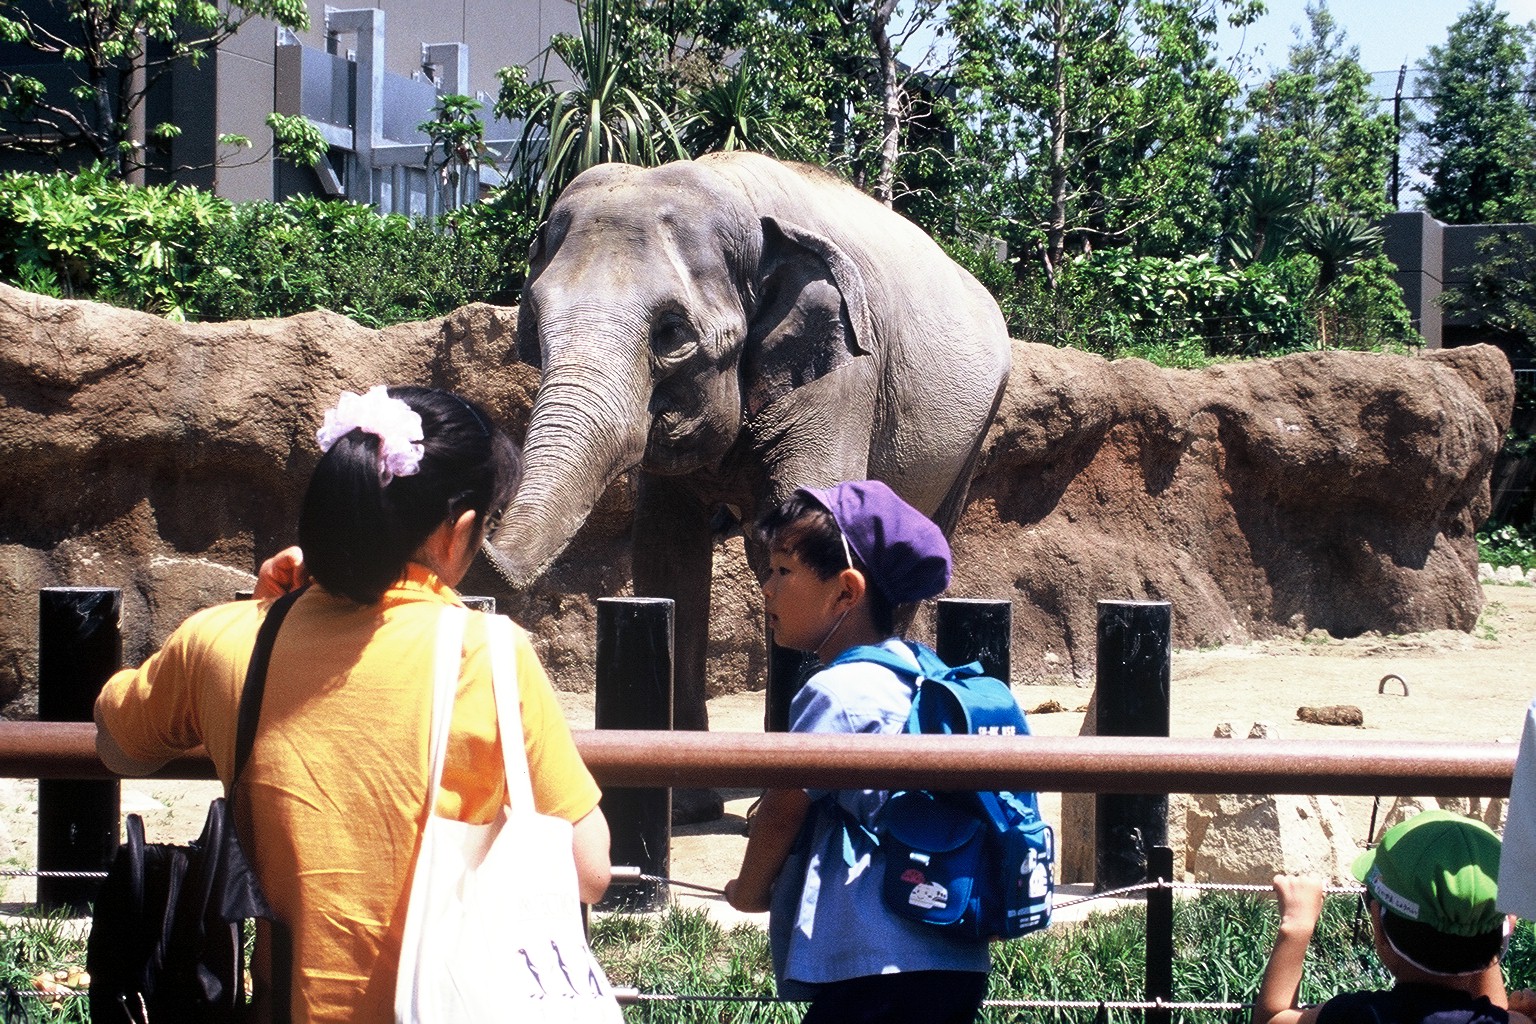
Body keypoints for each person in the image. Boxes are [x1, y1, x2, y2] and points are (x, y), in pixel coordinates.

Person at [94, 385, 611, 1024]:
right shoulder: (487, 657)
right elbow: (587, 870)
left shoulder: (226, 639)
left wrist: (268, 613)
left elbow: (117, 740)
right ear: (461, 533)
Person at [723, 480, 990, 1024]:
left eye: (782, 571)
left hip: (869, 965)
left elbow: (780, 811)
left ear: (846, 591)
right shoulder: (921, 672)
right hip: (954, 952)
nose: (766, 590)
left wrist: (748, 890)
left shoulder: (836, 692)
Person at [1253, 809, 1529, 1024]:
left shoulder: (1356, 1016)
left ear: (1378, 927)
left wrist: (1296, 926)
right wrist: (1480, 920)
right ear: (1506, 929)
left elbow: (1273, 1019)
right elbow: (1494, 1014)